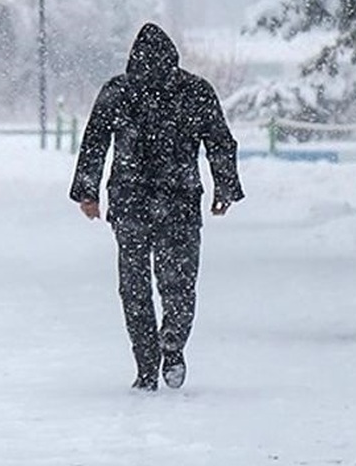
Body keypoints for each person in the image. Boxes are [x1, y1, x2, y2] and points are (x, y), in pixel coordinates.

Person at [69, 22, 244, 391]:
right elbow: (220, 142)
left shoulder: (117, 92)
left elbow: (94, 143)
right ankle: (173, 342)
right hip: (179, 200)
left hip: (130, 201)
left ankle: (146, 366)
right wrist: (224, 187)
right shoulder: (195, 91)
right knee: (179, 283)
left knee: (134, 287)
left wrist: (88, 191)